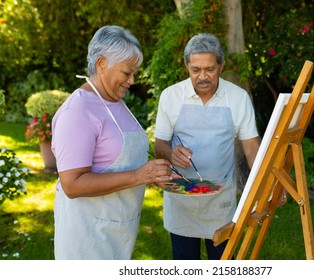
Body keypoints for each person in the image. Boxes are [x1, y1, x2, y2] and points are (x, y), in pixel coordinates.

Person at [51, 25, 176, 260]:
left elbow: (120, 158)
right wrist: (139, 176)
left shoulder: (117, 103)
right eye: (127, 73)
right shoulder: (78, 111)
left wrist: (155, 173)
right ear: (101, 64)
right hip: (86, 237)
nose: (132, 81)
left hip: (118, 231)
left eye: (134, 74)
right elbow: (72, 184)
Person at [154, 33, 260, 260]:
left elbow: (252, 148)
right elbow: (159, 145)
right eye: (195, 70)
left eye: (209, 69)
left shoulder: (238, 98)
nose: (202, 76)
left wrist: (263, 185)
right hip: (181, 202)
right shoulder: (170, 96)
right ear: (186, 66)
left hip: (220, 205)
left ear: (221, 66)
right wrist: (171, 154)